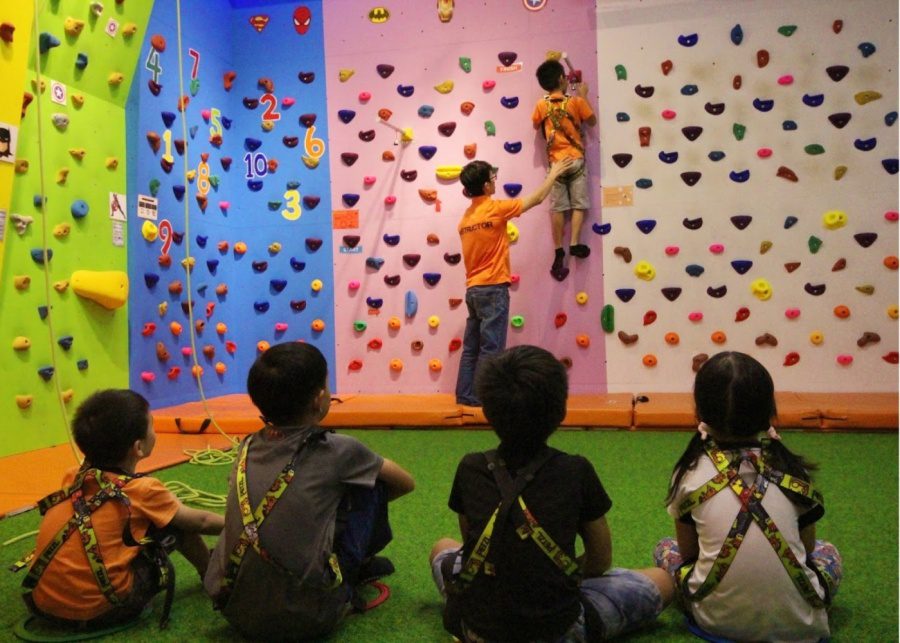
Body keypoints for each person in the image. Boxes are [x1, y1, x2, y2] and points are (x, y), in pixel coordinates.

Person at [433, 345, 673, 641]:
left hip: (477, 629)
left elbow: (473, 543)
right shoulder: (576, 469)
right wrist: (557, 573)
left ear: (489, 412)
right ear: (560, 411)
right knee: (661, 579)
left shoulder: (471, 467)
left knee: (442, 547)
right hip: (558, 630)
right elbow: (600, 559)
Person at [204, 342, 415, 640]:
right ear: (319, 399)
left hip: (233, 608)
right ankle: (355, 573)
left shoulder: (246, 446)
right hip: (307, 620)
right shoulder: (339, 449)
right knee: (373, 485)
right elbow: (405, 483)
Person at [654, 351, 842, 642]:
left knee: (663, 549)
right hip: (801, 621)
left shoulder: (688, 473)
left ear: (699, 412)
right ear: (770, 412)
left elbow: (689, 553)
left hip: (715, 620)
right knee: (827, 550)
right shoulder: (792, 470)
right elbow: (804, 552)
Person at [22, 389, 224, 629]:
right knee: (174, 524)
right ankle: (211, 574)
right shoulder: (143, 490)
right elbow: (199, 522)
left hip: (40, 604)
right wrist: (241, 522)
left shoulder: (73, 476)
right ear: (138, 447)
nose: (155, 431)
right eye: (153, 426)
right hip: (101, 610)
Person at [454, 156, 574, 407]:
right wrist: (553, 173)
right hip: (493, 288)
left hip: (473, 289)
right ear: (486, 186)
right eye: (492, 179)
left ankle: (465, 395)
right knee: (491, 348)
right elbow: (537, 199)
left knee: (471, 348)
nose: (494, 182)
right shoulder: (495, 209)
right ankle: (482, 398)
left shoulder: (465, 219)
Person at [532, 59, 598, 281]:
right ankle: (575, 243)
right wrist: (584, 93)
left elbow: (535, 124)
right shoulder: (576, 102)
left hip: (556, 164)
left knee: (558, 208)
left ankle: (559, 249)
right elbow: (592, 121)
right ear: (562, 79)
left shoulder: (542, 105)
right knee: (579, 204)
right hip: (576, 159)